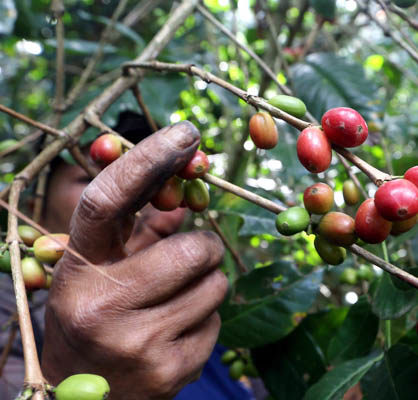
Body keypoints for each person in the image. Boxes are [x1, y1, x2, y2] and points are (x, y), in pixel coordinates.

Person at [0, 113, 255, 399]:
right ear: (33, 213)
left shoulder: (210, 323)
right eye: (92, 177)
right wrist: (70, 376)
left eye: (161, 185)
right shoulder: (10, 313)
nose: (135, 202)